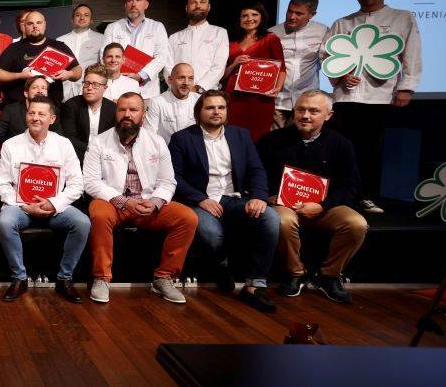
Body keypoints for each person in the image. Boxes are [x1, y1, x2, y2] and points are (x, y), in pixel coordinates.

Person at [323, 0, 423, 215]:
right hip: (346, 97)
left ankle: (366, 196)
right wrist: (341, 74)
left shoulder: (402, 18)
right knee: (342, 148)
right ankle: (342, 196)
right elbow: (327, 54)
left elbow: (412, 53)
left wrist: (406, 87)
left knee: (370, 149)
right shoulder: (343, 22)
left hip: (379, 96)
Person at [169, 91, 278, 312]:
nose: (216, 112)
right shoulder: (182, 138)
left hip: (235, 198)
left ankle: (255, 284)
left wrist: (258, 197)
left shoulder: (240, 135)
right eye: (210, 107)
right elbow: (174, 177)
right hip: (201, 200)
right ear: (199, 112)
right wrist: (201, 199)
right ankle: (221, 265)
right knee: (211, 233)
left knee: (271, 219)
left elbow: (256, 170)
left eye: (221, 107)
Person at [84, 92, 197, 304]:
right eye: (122, 109)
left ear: (143, 114)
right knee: (98, 213)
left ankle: (164, 278)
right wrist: (125, 202)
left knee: (187, 218)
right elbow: (90, 182)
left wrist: (154, 202)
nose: (127, 114)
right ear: (116, 113)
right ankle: (101, 277)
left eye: (133, 110)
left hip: (147, 205)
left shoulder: (157, 142)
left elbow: (168, 181)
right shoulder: (99, 142)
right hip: (114, 203)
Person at [257, 90, 365, 303]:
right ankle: (296, 273)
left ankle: (329, 276)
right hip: (284, 205)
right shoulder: (272, 140)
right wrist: (267, 196)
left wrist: (323, 206)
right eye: (301, 110)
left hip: (325, 207)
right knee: (282, 220)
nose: (305, 115)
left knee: (356, 224)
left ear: (328, 115)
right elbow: (254, 173)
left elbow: (351, 186)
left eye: (313, 111)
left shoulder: (341, 144)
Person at [0, 96, 90, 303]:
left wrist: (53, 203)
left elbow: (77, 184)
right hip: (21, 206)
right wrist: (25, 206)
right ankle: (19, 278)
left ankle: (65, 279)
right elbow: (1, 185)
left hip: (54, 206)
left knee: (82, 223)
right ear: (26, 116)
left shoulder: (64, 144)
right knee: (5, 222)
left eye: (41, 114)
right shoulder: (11, 145)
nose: (35, 118)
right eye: (31, 113)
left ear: (52, 119)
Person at [223, 2, 285, 142]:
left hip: (260, 99)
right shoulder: (231, 43)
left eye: (254, 14)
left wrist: (278, 88)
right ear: (239, 20)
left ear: (261, 17)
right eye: (245, 15)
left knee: (259, 139)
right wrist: (234, 64)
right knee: (233, 139)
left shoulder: (271, 39)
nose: (249, 18)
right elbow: (223, 75)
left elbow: (281, 69)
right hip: (234, 98)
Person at [0, 10, 81, 105]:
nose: (35, 26)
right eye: (30, 23)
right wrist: (19, 75)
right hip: (19, 106)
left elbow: (78, 71)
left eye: (39, 22)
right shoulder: (14, 48)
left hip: (51, 106)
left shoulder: (59, 46)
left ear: (45, 25)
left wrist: (69, 74)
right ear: (25, 26)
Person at [269, 0, 327, 130]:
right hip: (277, 102)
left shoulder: (322, 31)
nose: (291, 16)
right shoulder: (272, 33)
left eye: (298, 13)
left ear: (312, 14)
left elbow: (328, 62)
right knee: (274, 141)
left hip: (307, 103)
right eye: (289, 11)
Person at [101, 0, 171, 99]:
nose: (133, 4)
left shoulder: (157, 27)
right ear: (125, 5)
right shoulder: (113, 28)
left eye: (138, 0)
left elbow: (162, 57)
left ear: (146, 5)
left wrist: (141, 75)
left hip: (147, 91)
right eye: (130, 0)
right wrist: (118, 75)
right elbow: (103, 55)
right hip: (117, 90)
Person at [167, 0, 228, 91]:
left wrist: (199, 88)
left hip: (208, 92)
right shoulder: (174, 37)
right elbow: (168, 66)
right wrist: (178, 88)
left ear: (209, 7)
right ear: (187, 8)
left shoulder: (219, 33)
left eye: (202, 2)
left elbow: (219, 66)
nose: (198, 6)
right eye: (193, 2)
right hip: (178, 93)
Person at [59, 64, 117, 161]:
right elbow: (69, 138)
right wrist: (92, 151)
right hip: (76, 157)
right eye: (86, 83)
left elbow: (114, 140)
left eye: (95, 85)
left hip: (105, 158)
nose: (89, 88)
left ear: (105, 88)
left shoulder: (113, 109)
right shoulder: (71, 105)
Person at [0, 75, 54, 155]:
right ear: (26, 93)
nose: (40, 91)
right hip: (16, 155)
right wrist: (4, 156)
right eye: (35, 87)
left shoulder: (52, 110)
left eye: (43, 88)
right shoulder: (11, 110)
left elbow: (58, 139)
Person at [56, 3, 105, 100]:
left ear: (91, 20)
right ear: (72, 19)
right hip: (64, 89)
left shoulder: (101, 39)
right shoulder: (60, 40)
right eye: (78, 15)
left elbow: (103, 66)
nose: (82, 18)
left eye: (86, 15)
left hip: (90, 89)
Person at [145, 62, 200, 143]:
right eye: (181, 78)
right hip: (166, 149)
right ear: (170, 80)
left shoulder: (199, 100)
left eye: (190, 78)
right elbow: (150, 135)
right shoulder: (156, 102)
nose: (186, 83)